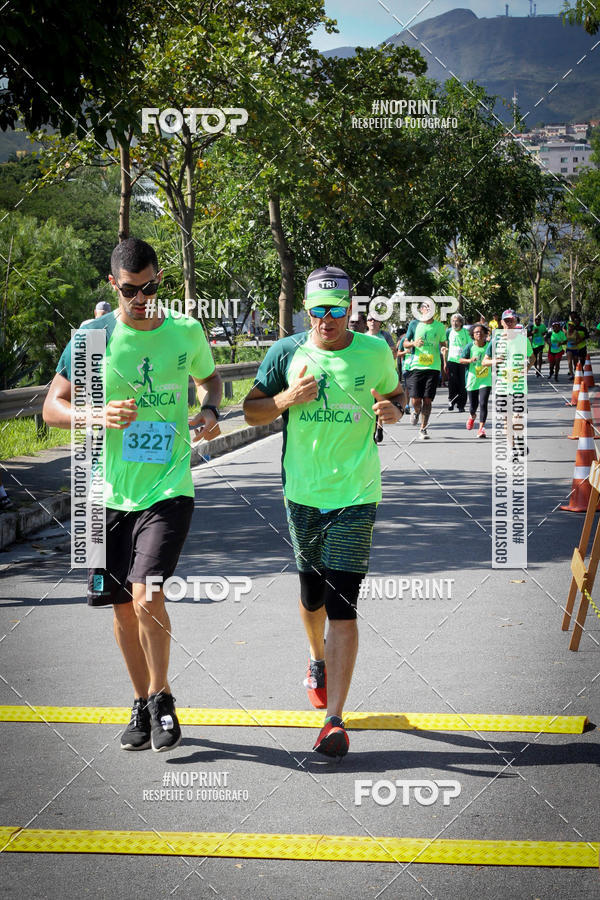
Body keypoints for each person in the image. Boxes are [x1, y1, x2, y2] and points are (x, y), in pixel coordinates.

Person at [43, 237, 222, 753]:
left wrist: (209, 414)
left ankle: (163, 698)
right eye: (130, 291)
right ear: (112, 285)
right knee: (121, 605)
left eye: (149, 288)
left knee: (147, 594)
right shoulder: (93, 337)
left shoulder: (186, 330)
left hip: (167, 486)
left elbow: (211, 383)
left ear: (158, 277)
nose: (141, 299)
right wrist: (95, 414)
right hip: (102, 492)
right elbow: (52, 408)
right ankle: (142, 702)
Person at [243, 265, 405, 758]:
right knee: (310, 594)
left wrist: (394, 411)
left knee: (342, 602)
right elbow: (250, 410)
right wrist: (286, 398)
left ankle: (334, 720)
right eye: (318, 310)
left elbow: (396, 395)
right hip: (303, 494)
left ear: (351, 308)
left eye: (336, 309)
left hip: (356, 494)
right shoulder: (285, 352)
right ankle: (317, 659)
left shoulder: (375, 351)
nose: (326, 319)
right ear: (307, 310)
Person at [483, 309, 534, 460]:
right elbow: (484, 361)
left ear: (516, 322)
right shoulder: (496, 340)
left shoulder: (523, 340)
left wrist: (527, 368)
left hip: (519, 386)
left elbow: (532, 358)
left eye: (512, 320)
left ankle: (519, 440)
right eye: (506, 320)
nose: (509, 323)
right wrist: (495, 361)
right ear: (501, 322)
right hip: (502, 386)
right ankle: (513, 447)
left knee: (518, 418)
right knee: (507, 419)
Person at [403, 300, 447, 440]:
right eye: (425, 307)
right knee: (416, 399)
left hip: (433, 367)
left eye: (430, 307)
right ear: (421, 309)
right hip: (416, 366)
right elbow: (405, 343)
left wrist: (444, 349)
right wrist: (413, 343)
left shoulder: (440, 326)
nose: (427, 309)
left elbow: (443, 343)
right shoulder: (414, 324)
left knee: (427, 400)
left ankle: (423, 428)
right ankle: (416, 412)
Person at [459, 324, 491, 438]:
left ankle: (481, 429)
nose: (479, 334)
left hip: (486, 379)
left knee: (483, 403)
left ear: (485, 334)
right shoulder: (469, 346)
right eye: (476, 332)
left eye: (481, 332)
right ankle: (472, 416)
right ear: (473, 334)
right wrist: (470, 360)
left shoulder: (489, 346)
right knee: (473, 406)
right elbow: (461, 360)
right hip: (472, 379)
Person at [442, 313, 470, 411]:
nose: (454, 323)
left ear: (461, 322)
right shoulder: (449, 331)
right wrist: (445, 362)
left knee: (462, 384)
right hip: (451, 361)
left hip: (463, 361)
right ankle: (451, 402)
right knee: (452, 383)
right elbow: (445, 347)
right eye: (453, 321)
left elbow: (470, 346)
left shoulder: (466, 332)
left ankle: (461, 405)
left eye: (457, 321)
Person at [566, 311, 588, 380]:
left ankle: (579, 370)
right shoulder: (571, 328)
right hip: (572, 348)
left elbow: (587, 336)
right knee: (571, 361)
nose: (575, 322)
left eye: (577, 321)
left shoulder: (583, 328)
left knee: (581, 360)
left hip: (582, 346)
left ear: (579, 321)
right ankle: (573, 373)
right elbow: (565, 334)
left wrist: (579, 341)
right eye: (574, 320)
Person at [529, 313, 546, 377]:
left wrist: (544, 333)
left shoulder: (543, 326)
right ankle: (536, 370)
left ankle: (540, 369)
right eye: (536, 320)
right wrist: (533, 332)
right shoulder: (532, 327)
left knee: (540, 356)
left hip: (541, 344)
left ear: (540, 320)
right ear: (535, 320)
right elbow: (528, 334)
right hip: (534, 345)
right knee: (535, 358)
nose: (537, 321)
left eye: (539, 320)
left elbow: (546, 332)